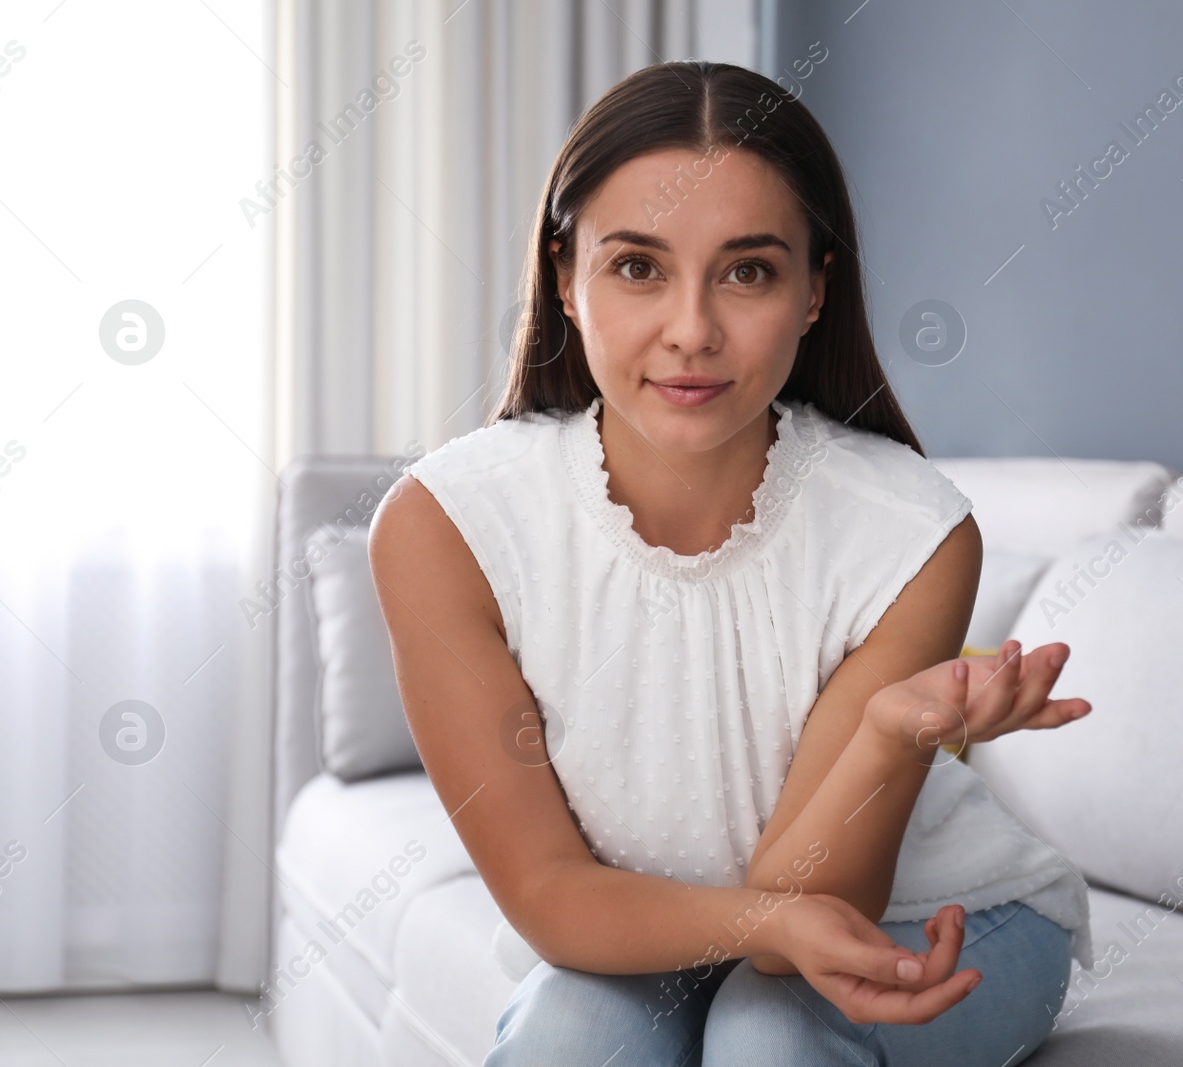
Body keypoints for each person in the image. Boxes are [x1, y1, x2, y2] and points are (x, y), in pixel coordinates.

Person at [369, 59, 1095, 1067]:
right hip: (657, 929)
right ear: (565, 278)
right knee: (567, 1042)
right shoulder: (445, 522)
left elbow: (816, 905)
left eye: (747, 270)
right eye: (636, 267)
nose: (691, 331)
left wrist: (886, 735)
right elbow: (547, 893)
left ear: (811, 292)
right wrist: (757, 926)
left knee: (769, 1036)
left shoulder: (911, 531)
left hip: (939, 910)